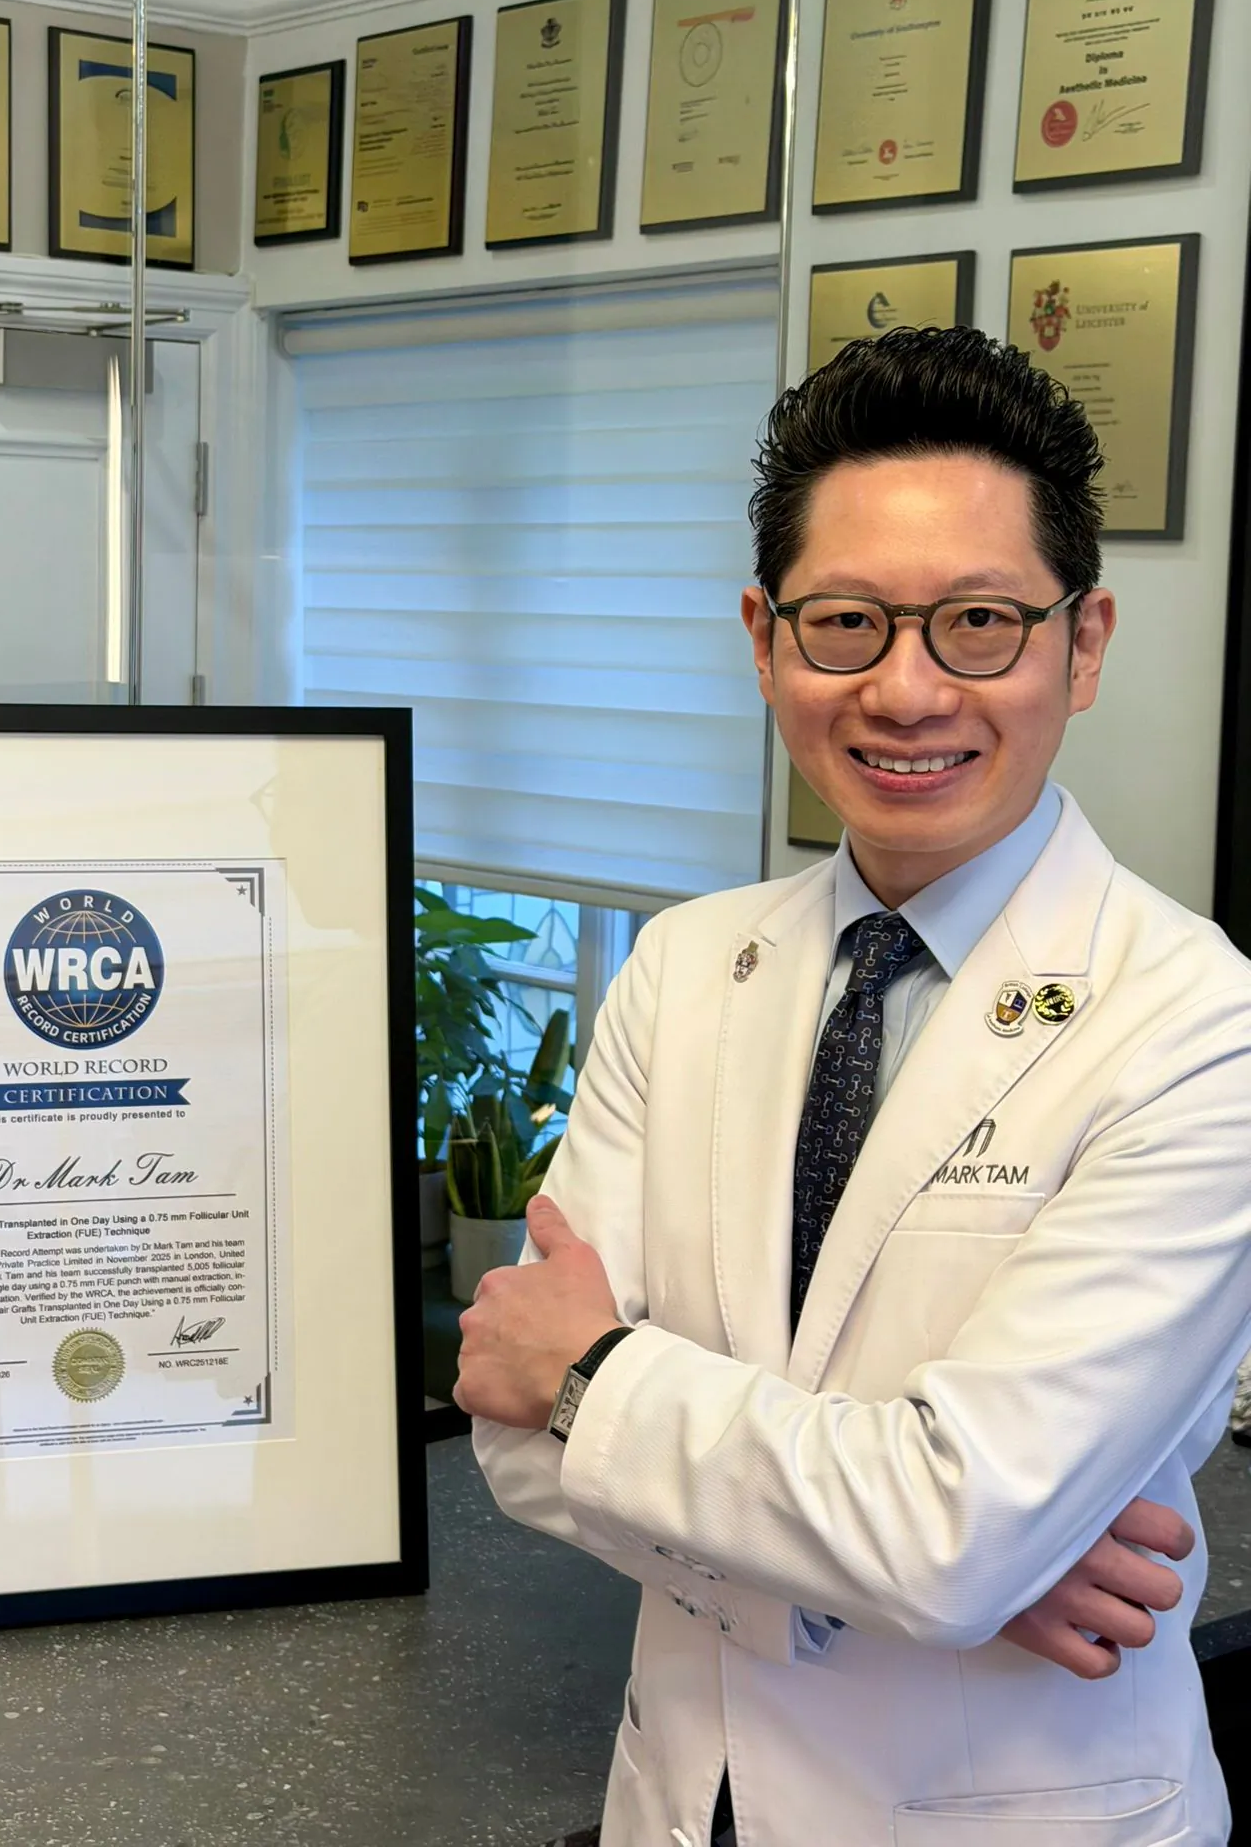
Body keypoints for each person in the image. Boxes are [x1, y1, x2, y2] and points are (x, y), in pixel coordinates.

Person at [458, 326, 1251, 1847]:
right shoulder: (683, 971)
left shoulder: (1187, 1020)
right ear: (764, 638)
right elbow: (510, 1424)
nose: (904, 690)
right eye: (844, 624)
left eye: (978, 623)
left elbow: (947, 1534)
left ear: (1081, 647)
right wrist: (925, 1567)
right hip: (687, 1803)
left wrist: (606, 1384)